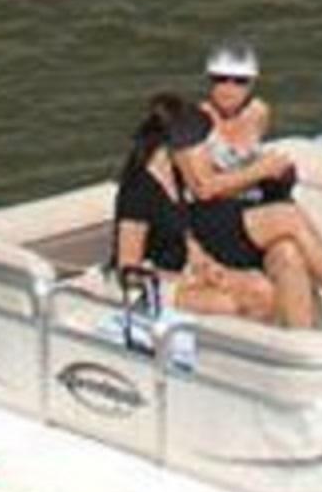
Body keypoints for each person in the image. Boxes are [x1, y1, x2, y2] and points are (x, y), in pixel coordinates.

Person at [180, 44, 322, 327]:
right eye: (220, 79)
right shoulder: (192, 123)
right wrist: (258, 171)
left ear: (252, 83)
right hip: (211, 219)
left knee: (289, 253)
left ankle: (302, 341)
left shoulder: (257, 114)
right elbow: (204, 189)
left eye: (239, 81)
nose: (228, 88)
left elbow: (248, 166)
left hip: (248, 215)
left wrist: (277, 175)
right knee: (287, 216)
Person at [110, 94, 276, 321]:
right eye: (199, 145)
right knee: (238, 303)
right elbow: (128, 268)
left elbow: (185, 235)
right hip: (157, 287)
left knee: (261, 287)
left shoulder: (176, 179)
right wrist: (182, 280)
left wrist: (209, 265)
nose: (205, 152)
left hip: (184, 272)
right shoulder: (139, 190)